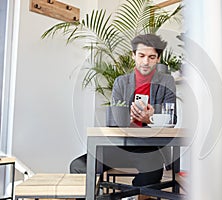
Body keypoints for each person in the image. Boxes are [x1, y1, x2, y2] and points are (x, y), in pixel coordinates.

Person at [70, 34, 177, 199]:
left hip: (148, 148)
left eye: (151, 57)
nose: (146, 61)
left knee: (152, 174)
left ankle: (128, 196)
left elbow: (172, 118)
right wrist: (127, 117)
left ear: (158, 59)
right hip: (120, 146)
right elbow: (114, 119)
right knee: (78, 166)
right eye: (141, 56)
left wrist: (150, 118)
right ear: (133, 55)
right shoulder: (121, 82)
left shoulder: (166, 81)